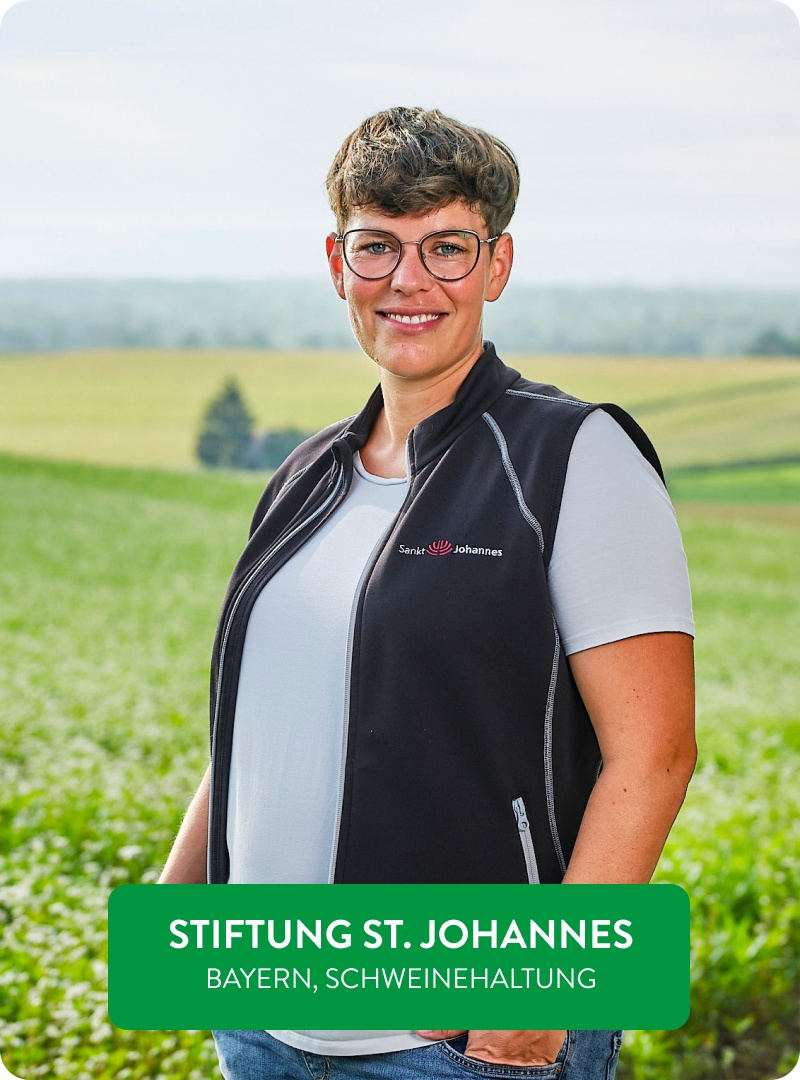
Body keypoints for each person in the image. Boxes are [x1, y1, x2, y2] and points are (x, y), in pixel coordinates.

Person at [159, 106, 697, 1079]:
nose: (408, 281)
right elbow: (260, 723)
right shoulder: (303, 476)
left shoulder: (573, 457)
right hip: (259, 1018)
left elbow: (653, 754)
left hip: (453, 1039)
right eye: (377, 248)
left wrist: (539, 1002)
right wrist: (175, 910)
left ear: (494, 266)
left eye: (445, 248)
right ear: (336, 265)